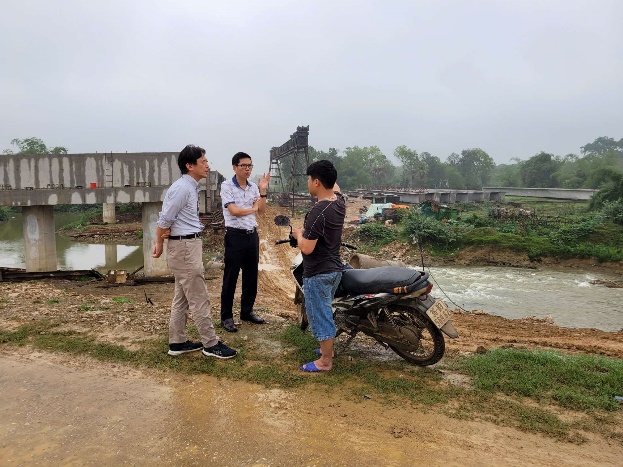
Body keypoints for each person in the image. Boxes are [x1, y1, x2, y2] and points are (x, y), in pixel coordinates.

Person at [152, 144, 237, 359]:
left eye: (207, 161)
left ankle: (177, 342)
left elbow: (173, 219)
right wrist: (159, 244)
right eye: (203, 162)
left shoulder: (190, 187)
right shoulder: (182, 188)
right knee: (199, 297)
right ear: (190, 165)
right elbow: (165, 218)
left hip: (188, 245)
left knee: (181, 298)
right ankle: (211, 344)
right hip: (185, 247)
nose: (208, 165)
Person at [292, 160, 346, 372]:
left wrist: (298, 234)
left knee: (321, 315)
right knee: (326, 310)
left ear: (316, 182)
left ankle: (325, 361)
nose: (307, 183)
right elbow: (337, 188)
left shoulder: (318, 212)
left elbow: (306, 248)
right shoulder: (339, 201)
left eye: (308, 179)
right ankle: (328, 351)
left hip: (318, 273)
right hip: (335, 269)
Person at [219, 152, 271, 332]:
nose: (247, 168)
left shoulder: (253, 188)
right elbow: (233, 211)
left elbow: (262, 211)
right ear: (235, 167)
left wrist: (263, 191)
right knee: (231, 277)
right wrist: (253, 208)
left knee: (251, 277)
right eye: (244, 165)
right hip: (235, 236)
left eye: (250, 165)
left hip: (251, 235)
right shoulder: (226, 186)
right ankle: (226, 316)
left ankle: (246, 311)